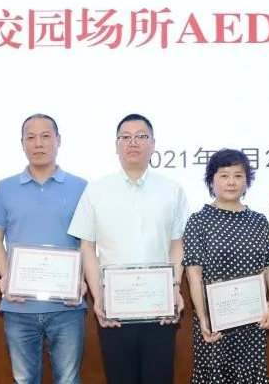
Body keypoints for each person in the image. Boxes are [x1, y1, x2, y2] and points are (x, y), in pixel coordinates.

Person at [67, 113, 190, 384]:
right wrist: (99, 297)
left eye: (141, 136)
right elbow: (87, 247)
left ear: (153, 143)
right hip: (115, 308)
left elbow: (178, 244)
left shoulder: (172, 190)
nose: (133, 142)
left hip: (159, 306)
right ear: (116, 145)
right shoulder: (96, 190)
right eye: (126, 137)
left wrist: (174, 287)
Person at [0, 114, 88, 384]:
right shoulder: (5, 188)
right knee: (24, 380)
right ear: (22, 143)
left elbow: (89, 243)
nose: (38, 143)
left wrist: (81, 280)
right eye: (30, 137)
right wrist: (7, 276)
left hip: (67, 307)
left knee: (69, 380)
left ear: (58, 140)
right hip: (18, 307)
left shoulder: (81, 187)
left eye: (45, 136)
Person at [183, 149, 269, 384]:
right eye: (224, 175)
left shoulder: (258, 220)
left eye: (238, 175)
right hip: (216, 322)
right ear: (211, 181)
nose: (231, 182)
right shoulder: (198, 221)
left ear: (247, 181)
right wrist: (203, 317)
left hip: (252, 322)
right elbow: (194, 275)